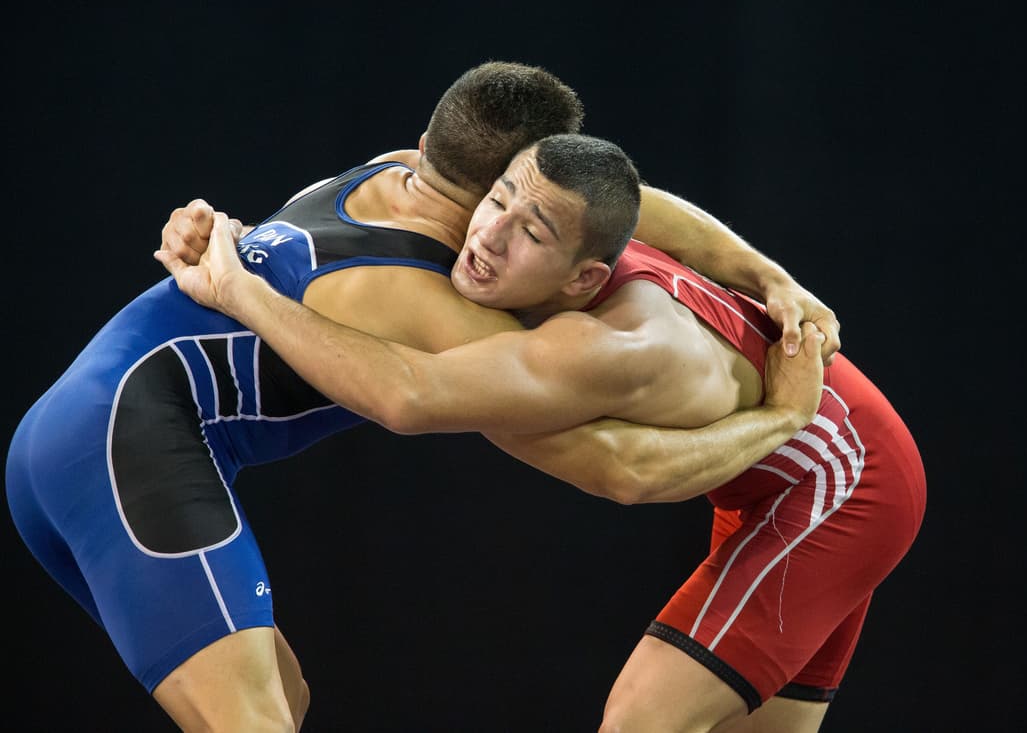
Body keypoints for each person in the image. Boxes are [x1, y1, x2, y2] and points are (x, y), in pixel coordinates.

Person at [6, 62, 830, 733]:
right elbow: (610, 463)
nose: (512, 224)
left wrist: (765, 274)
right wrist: (782, 418)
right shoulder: (433, 306)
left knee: (281, 702)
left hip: (61, 436)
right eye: (513, 200)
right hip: (125, 445)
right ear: (499, 182)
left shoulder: (393, 170)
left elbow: (631, 206)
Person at [160, 132, 927, 733]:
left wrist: (242, 290)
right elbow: (642, 200)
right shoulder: (544, 213)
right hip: (785, 472)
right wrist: (770, 276)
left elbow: (611, 468)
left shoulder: (612, 344)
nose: (488, 236)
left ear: (585, 277)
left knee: (641, 720)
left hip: (839, 479)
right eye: (494, 201)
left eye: (529, 231)